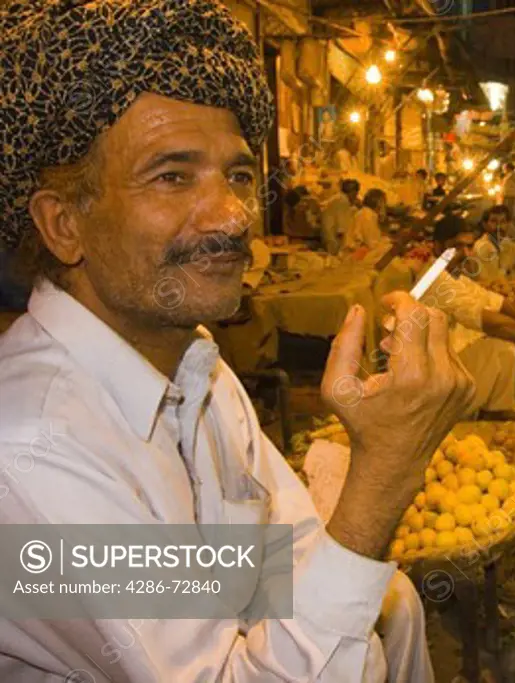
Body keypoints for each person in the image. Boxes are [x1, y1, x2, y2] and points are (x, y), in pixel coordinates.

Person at [0, 1, 475, 680]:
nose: (231, 214)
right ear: (63, 224)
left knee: (395, 602)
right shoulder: (29, 448)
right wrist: (380, 478)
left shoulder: (201, 374)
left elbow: (291, 555)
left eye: (241, 176)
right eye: (172, 176)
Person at [420, 216, 515, 417]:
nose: (465, 254)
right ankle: (461, 414)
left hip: (449, 355)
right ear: (438, 246)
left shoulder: (454, 274)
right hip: (433, 372)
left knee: (504, 346)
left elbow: (499, 302)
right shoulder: (436, 280)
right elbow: (489, 321)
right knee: (500, 345)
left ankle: (497, 409)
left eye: (468, 247)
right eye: (457, 247)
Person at [346, 188, 389, 259]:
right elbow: (371, 243)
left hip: (358, 252)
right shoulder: (367, 214)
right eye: (384, 202)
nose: (384, 206)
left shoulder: (366, 213)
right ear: (379, 202)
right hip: (356, 255)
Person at [320, 178, 360, 255]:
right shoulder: (342, 201)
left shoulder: (338, 198)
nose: (356, 197)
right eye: (356, 194)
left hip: (328, 237)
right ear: (352, 192)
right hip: (333, 241)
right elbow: (341, 230)